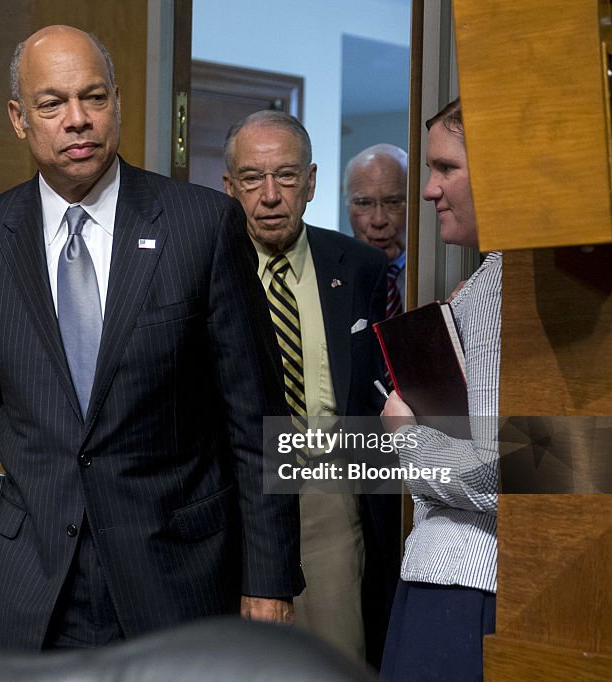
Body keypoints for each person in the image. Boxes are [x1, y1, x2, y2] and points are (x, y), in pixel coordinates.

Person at [0, 25, 303, 651]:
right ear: (19, 119)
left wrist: (269, 582)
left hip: (177, 577)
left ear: (117, 103)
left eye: (93, 98)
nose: (77, 120)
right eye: (52, 104)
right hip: (30, 587)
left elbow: (257, 423)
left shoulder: (201, 226)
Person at [223, 110, 399, 667]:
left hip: (330, 484)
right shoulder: (205, 268)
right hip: (237, 497)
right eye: (252, 179)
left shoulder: (361, 266)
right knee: (246, 664)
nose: (270, 195)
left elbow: (376, 390)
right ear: (230, 187)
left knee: (335, 660)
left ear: (312, 183)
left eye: (287, 176)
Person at [379, 98, 500, 679]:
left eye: (446, 168)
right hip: (448, 575)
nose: (428, 190)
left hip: (467, 585)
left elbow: (511, 471)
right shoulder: (490, 278)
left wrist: (406, 438)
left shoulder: (511, 290)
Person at [344, 144, 408, 318]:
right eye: (364, 203)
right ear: (348, 206)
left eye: (394, 202)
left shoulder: (436, 272)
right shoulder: (328, 276)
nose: (379, 220)